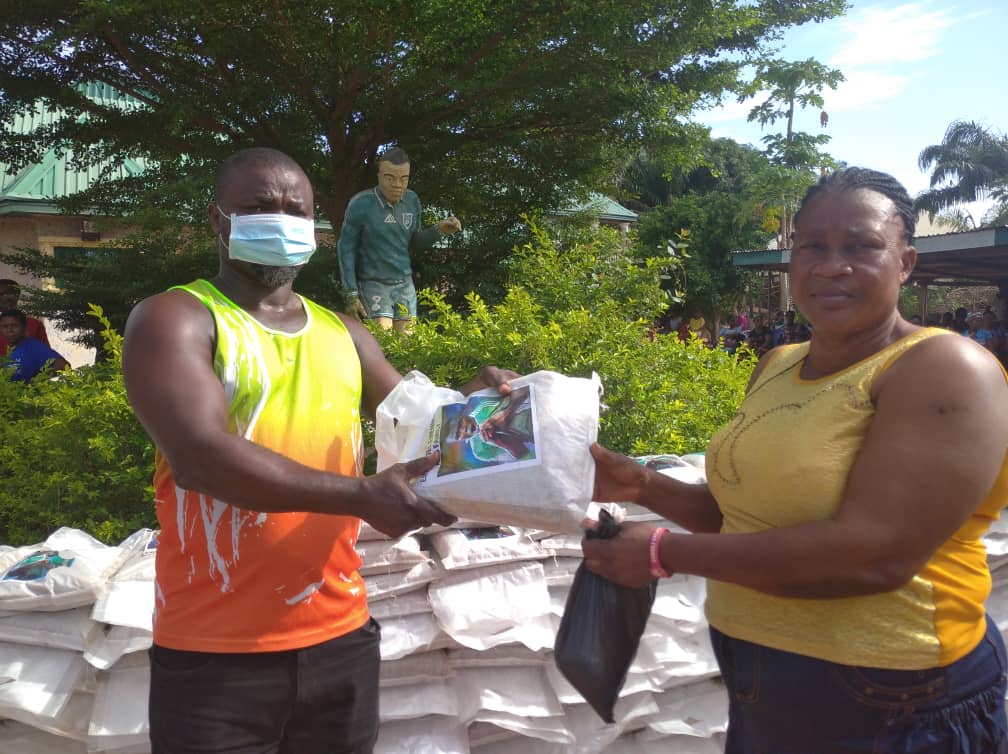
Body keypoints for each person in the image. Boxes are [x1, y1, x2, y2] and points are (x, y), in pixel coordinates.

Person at [582, 167, 1008, 753]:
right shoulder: (778, 362)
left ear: (906, 263)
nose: (832, 265)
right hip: (760, 676)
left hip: (895, 696)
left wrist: (661, 553)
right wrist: (641, 485)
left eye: (862, 247)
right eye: (813, 246)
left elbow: (874, 555)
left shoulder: (943, 368)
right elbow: (747, 518)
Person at [122, 147, 513, 754]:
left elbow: (421, 425)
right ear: (216, 218)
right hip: (215, 653)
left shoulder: (344, 333)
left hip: (340, 637)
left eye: (295, 210)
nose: (279, 219)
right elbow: (200, 457)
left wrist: (483, 400)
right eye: (258, 206)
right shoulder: (177, 319)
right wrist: (361, 496)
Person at [337, 147, 462, 331]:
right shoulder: (361, 203)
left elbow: (413, 244)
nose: (397, 184)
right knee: (382, 339)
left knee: (407, 345)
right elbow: (345, 248)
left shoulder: (412, 201)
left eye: (404, 178)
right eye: (390, 178)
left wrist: (439, 230)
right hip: (373, 283)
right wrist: (351, 294)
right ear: (379, 175)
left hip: (404, 284)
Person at [0, 309, 68, 382]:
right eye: (5, 327)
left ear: (24, 327)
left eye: (15, 326)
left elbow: (63, 366)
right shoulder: (10, 352)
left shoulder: (33, 347)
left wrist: (38, 385)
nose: (9, 330)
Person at [0, 279, 49, 356]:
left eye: (9, 294)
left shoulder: (35, 324)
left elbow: (46, 356)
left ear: (17, 295)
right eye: (1, 294)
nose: (4, 298)